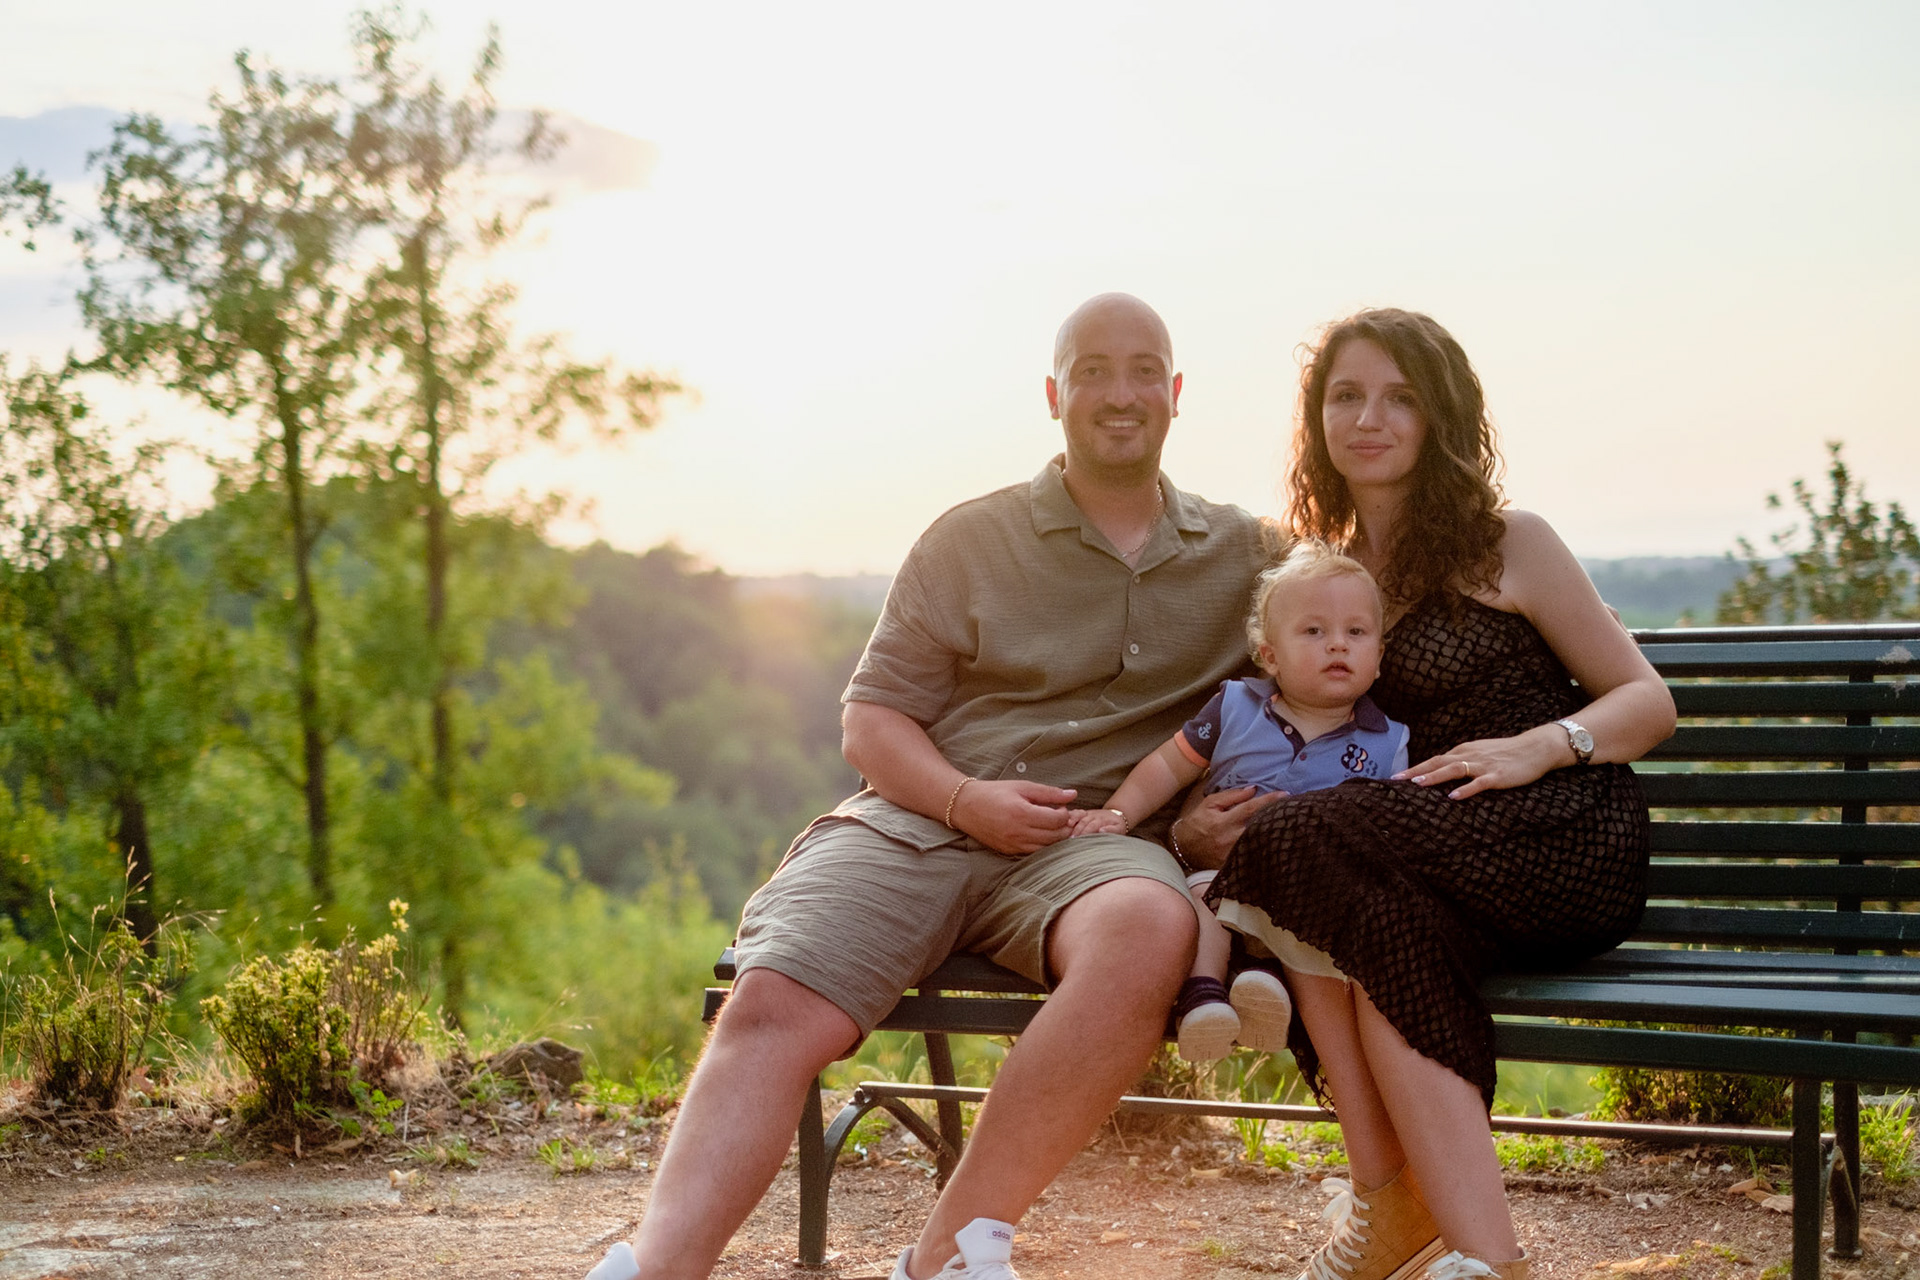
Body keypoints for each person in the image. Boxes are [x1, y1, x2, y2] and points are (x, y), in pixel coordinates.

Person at [585, 292, 1274, 1280]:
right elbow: (870, 723)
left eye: (1140, 371)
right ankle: (657, 1267)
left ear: (1174, 391)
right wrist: (963, 799)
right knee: (776, 995)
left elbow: (1340, 647)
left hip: (1097, 849)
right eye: (1091, 371)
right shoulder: (969, 539)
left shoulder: (1247, 555)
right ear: (1054, 395)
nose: (1119, 394)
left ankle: (947, 1256)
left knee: (1150, 929)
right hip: (918, 822)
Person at [1176, 308, 1676, 1280]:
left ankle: (1390, 1203)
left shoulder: (1509, 543)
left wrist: (1539, 746)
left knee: (1300, 850)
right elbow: (1271, 726)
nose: (1370, 417)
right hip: (1418, 852)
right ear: (1318, 420)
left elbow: (1648, 700)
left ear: (1441, 416)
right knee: (1375, 924)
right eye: (1347, 395)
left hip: (1557, 832)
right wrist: (1196, 824)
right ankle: (1478, 1250)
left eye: (1399, 397)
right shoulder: (1324, 577)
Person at [1066, 543, 1409, 1062]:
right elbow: (1169, 766)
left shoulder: (1388, 741)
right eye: (1314, 631)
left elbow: (1397, 825)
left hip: (1311, 896)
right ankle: (1203, 995)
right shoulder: (1235, 706)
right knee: (1201, 897)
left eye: (1356, 632)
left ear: (1378, 658)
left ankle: (1265, 983)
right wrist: (1118, 812)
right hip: (1222, 874)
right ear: (1270, 655)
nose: (1338, 644)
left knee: (1316, 913)